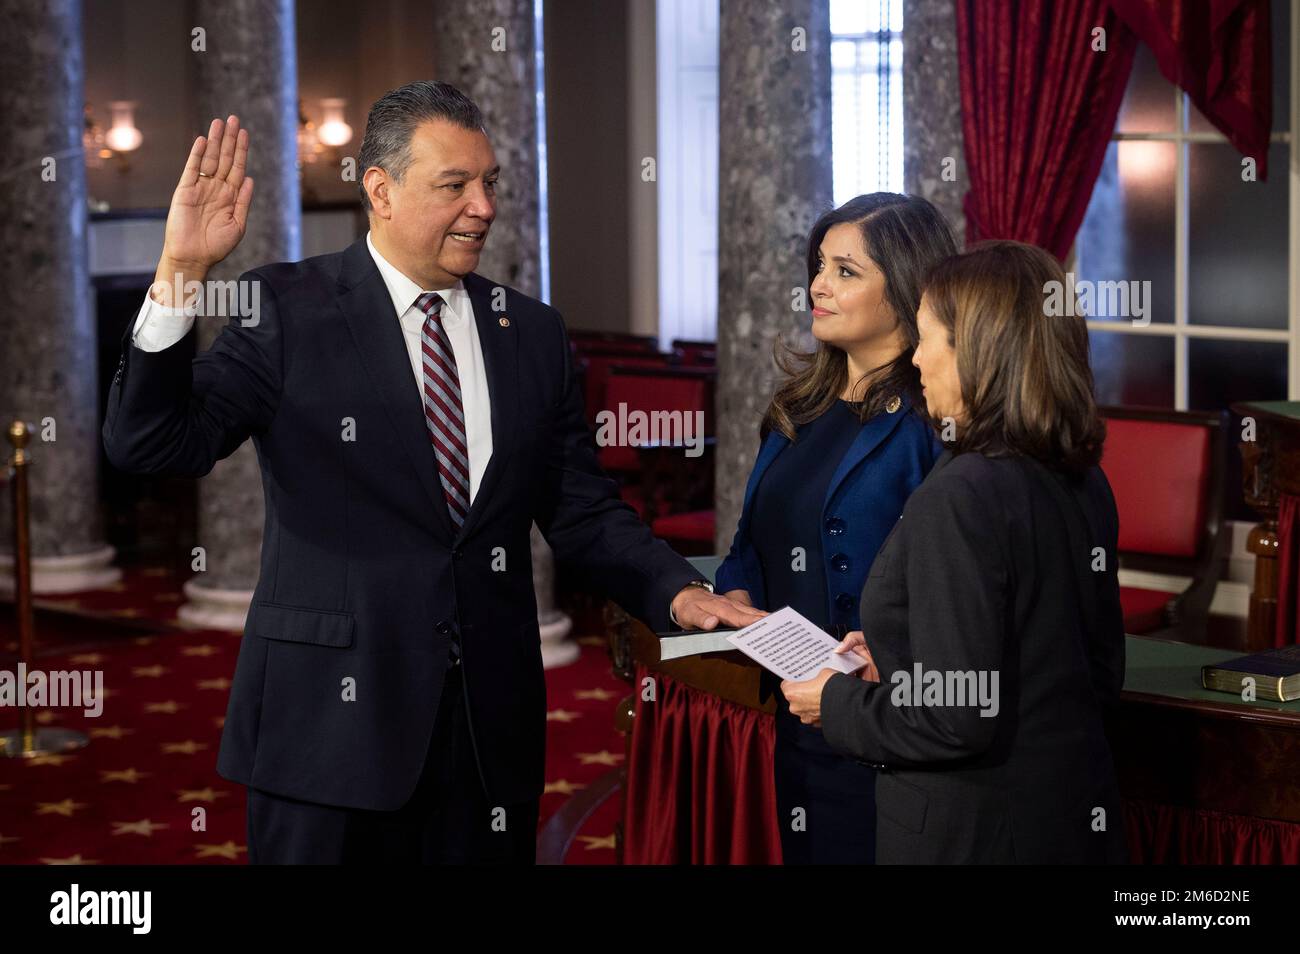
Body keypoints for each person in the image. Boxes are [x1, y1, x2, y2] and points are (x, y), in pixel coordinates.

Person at [102, 81, 761, 864]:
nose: (483, 206)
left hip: (486, 738)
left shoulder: (533, 333)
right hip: (329, 734)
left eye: (490, 184)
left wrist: (677, 590)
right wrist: (180, 269)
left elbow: (581, 509)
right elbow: (149, 446)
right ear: (379, 189)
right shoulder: (285, 310)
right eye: (455, 185)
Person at [781, 240, 1129, 864]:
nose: (915, 360)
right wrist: (896, 651)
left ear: (975, 351)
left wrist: (833, 701)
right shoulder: (1083, 476)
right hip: (1070, 818)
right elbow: (1089, 672)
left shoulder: (962, 493)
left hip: (972, 833)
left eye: (927, 338)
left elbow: (956, 717)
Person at [714, 193, 956, 863]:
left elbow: (953, 592)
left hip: (892, 729)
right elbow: (747, 546)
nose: (817, 285)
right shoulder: (795, 410)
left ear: (906, 288)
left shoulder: (934, 426)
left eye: (846, 271)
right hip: (798, 720)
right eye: (819, 265)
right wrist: (734, 594)